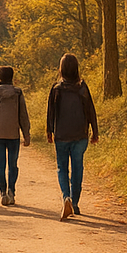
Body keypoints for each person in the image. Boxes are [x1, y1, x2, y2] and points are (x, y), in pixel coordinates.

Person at [45, 53, 99, 220]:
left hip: (61, 134)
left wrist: (49, 130)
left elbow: (50, 111)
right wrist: (95, 131)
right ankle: (74, 203)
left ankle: (65, 197)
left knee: (62, 167)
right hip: (80, 134)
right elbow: (90, 110)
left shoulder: (56, 88)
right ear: (76, 68)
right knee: (77, 168)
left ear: (61, 69)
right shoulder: (82, 88)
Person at [0, 65, 32, 206]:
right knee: (13, 164)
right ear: (12, 77)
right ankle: (11, 191)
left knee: (0, 164)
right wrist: (26, 134)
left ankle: (2, 192)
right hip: (13, 134)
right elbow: (23, 115)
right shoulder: (17, 93)